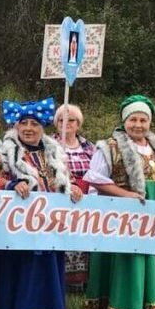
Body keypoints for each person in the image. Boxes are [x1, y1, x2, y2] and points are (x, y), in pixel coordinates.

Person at [81, 95, 155, 309]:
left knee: (152, 257)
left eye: (143, 120)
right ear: (124, 121)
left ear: (150, 122)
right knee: (127, 262)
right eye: (133, 119)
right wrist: (126, 195)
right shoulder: (110, 147)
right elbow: (95, 178)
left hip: (153, 221)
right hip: (122, 218)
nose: (138, 124)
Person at [0, 97, 80, 309]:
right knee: (19, 277)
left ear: (42, 127)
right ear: (15, 125)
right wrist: (10, 185)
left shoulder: (54, 153)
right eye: (23, 123)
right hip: (15, 233)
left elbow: (64, 180)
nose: (28, 128)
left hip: (49, 229)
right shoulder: (2, 152)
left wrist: (71, 188)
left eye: (34, 124)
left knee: (46, 276)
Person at [52, 103, 96, 292]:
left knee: (83, 237)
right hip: (60, 196)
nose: (66, 123)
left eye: (71, 120)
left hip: (86, 197)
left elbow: (98, 172)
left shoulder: (90, 147)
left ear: (78, 124)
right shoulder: (49, 145)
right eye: (62, 120)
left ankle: (82, 282)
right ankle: (63, 282)